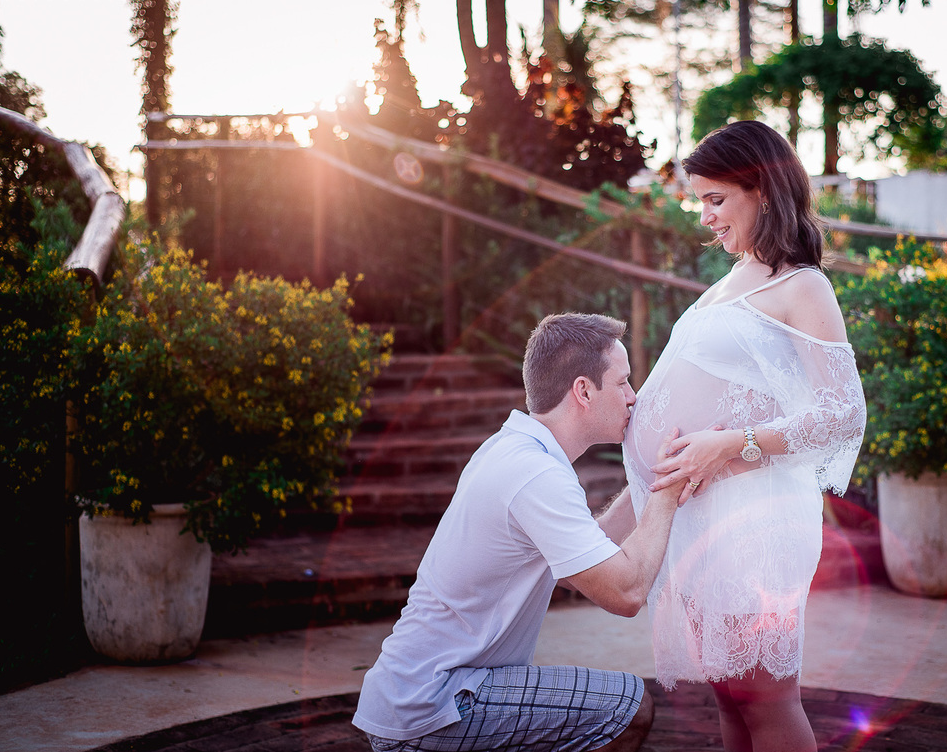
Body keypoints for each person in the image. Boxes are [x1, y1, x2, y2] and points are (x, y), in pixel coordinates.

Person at [622, 121, 868, 752]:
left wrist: (729, 445)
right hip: (703, 518)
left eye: (714, 199)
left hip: (752, 518)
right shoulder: (737, 278)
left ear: (760, 189)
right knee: (731, 698)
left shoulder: (801, 284)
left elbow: (842, 412)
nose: (703, 216)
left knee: (766, 700)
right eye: (699, 200)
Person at [354, 313, 690, 752]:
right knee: (626, 706)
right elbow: (625, 593)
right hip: (433, 704)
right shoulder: (535, 475)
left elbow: (582, 565)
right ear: (583, 391)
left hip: (420, 697)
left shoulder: (517, 449)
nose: (634, 397)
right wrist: (668, 491)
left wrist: (647, 481)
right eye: (623, 382)